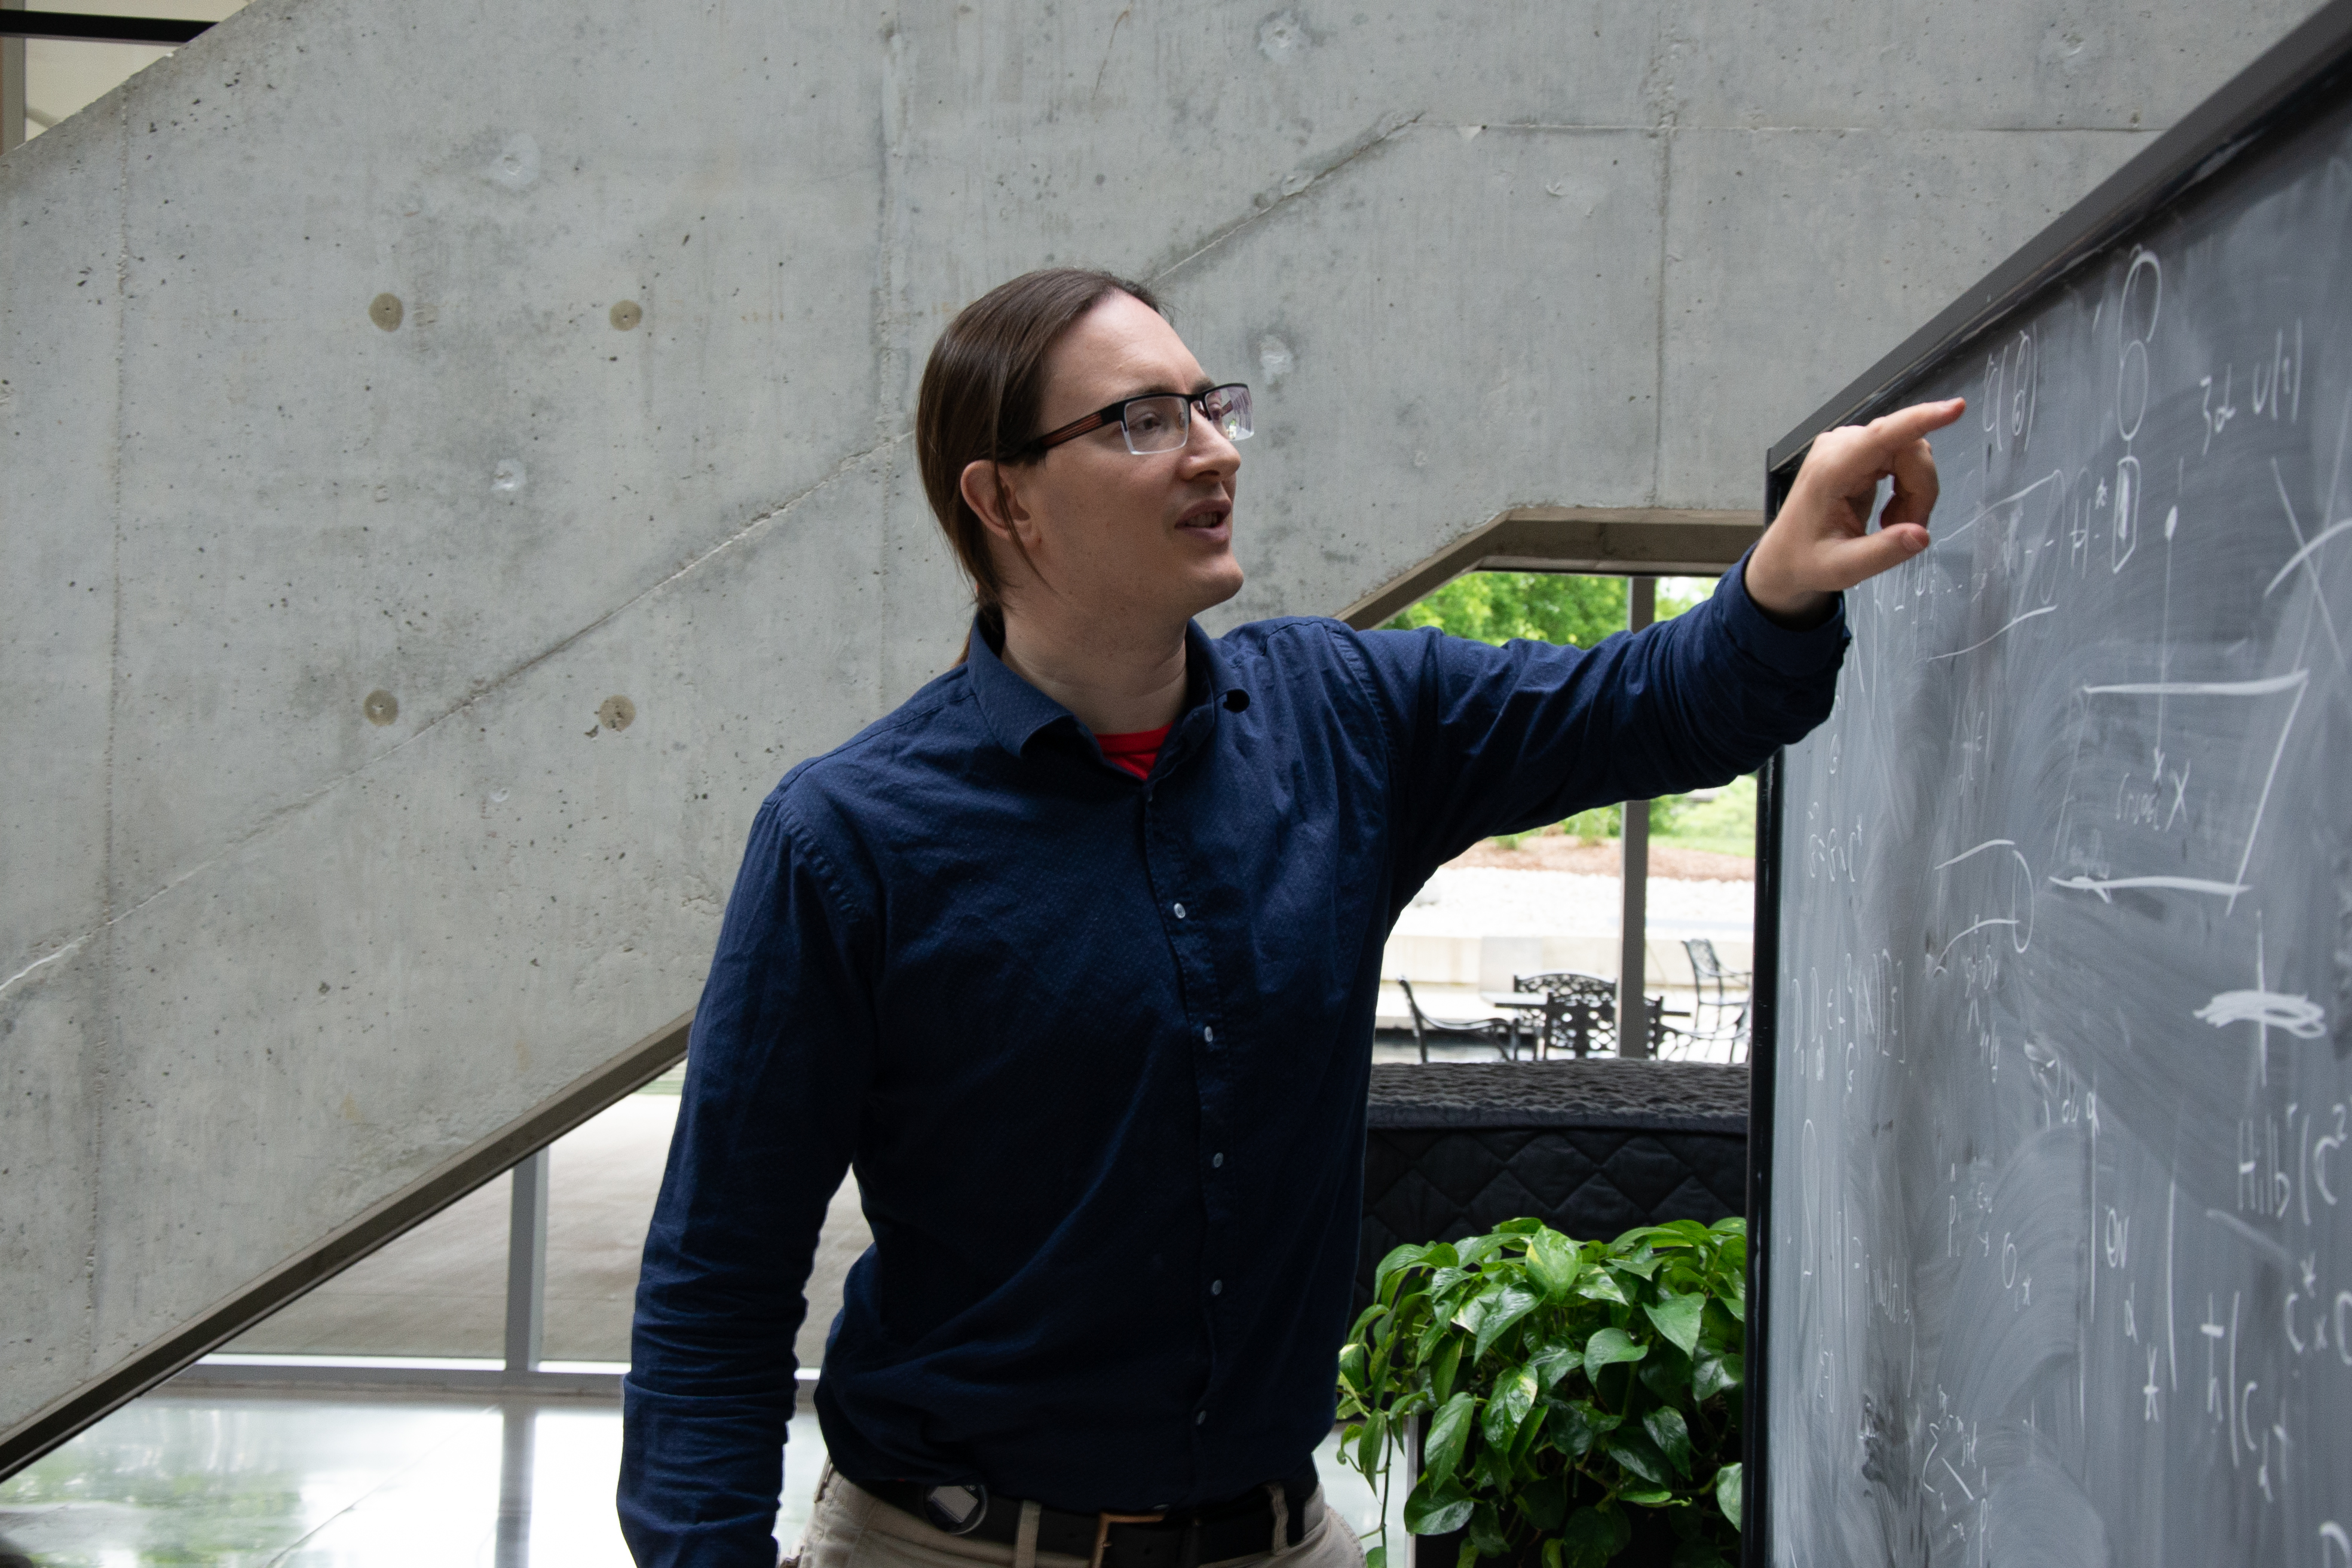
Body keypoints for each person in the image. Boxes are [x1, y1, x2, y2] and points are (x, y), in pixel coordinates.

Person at [618, 267, 1961, 1568]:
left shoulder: (1342, 716)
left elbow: (1658, 701)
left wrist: (1783, 582)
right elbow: (717, 1282)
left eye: (1214, 405)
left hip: (1276, 1536)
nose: (1213, 452)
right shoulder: (849, 839)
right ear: (1003, 499)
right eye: (1144, 420)